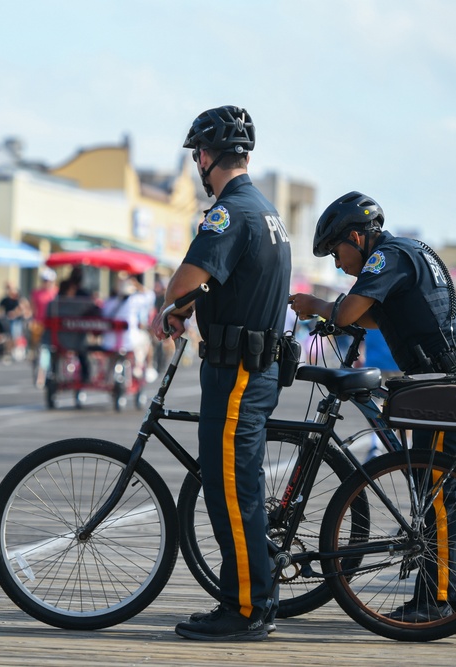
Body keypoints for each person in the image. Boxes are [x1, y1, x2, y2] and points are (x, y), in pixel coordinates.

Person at [289, 190, 456, 622]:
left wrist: (316, 306)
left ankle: (432, 604)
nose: (337, 263)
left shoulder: (388, 256)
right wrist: (337, 312)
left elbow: (348, 313)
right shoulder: (407, 251)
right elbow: (376, 317)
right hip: (450, 376)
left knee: (435, 492)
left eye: (336, 252)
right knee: (446, 494)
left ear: (358, 238)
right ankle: (450, 596)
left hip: (444, 382)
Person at [152, 105, 291, 641]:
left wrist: (174, 308)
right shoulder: (266, 210)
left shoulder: (229, 214)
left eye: (198, 156)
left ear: (205, 157)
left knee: (233, 491)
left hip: (236, 372)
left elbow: (184, 281)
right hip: (256, 367)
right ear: (247, 156)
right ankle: (250, 597)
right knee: (240, 486)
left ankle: (247, 608)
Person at [102, 274, 155, 381]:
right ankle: (140, 367)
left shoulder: (108, 302)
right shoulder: (134, 300)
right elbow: (150, 296)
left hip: (108, 343)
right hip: (129, 342)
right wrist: (137, 284)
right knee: (145, 339)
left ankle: (108, 375)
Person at [0, 282, 31, 360]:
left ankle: (17, 351)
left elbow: (24, 309)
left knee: (16, 335)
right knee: (8, 336)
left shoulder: (19, 299)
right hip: (7, 321)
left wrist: (15, 313)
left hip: (17, 321)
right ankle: (9, 352)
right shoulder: (5, 300)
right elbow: (0, 310)